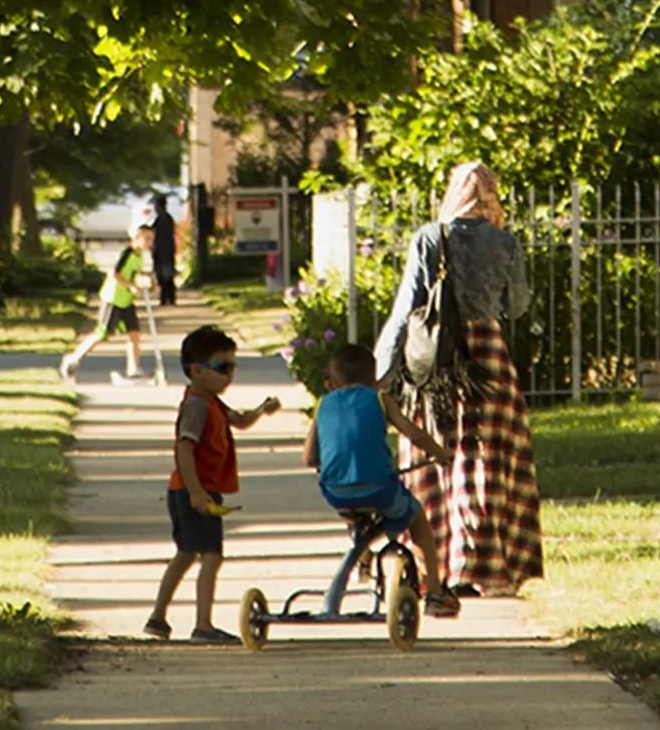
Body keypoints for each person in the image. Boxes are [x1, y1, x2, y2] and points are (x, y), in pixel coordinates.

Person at [379, 160, 539, 610]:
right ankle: (482, 566)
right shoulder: (505, 241)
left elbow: (405, 308)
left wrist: (378, 376)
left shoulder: (431, 238)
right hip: (487, 354)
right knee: (485, 457)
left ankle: (435, 562)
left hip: (437, 356)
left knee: (433, 454)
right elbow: (518, 305)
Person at [146, 325, 280, 642]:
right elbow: (184, 448)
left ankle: (158, 617)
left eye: (232, 367)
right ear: (196, 370)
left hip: (195, 490)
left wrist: (262, 410)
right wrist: (196, 491)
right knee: (211, 555)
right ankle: (203, 625)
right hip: (194, 490)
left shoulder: (213, 402)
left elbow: (241, 420)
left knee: (186, 554)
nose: (229, 374)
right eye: (222, 367)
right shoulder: (196, 405)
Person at [304, 340, 443, 544]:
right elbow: (415, 435)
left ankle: (362, 554)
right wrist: (439, 453)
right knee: (417, 518)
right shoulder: (379, 398)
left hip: (335, 493)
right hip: (379, 489)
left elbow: (308, 459)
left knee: (352, 508)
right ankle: (432, 577)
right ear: (375, 383)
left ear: (330, 386)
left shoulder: (324, 404)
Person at [60, 245, 158, 382]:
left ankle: (133, 369)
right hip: (113, 299)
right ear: (136, 238)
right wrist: (130, 286)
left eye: (151, 239)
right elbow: (113, 273)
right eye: (146, 238)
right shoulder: (127, 253)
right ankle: (73, 358)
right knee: (102, 333)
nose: (149, 242)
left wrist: (149, 282)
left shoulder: (139, 256)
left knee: (134, 333)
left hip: (126, 301)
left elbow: (134, 274)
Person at [146, 192, 181, 307]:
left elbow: (160, 238)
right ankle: (166, 297)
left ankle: (168, 298)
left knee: (165, 276)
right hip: (164, 251)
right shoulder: (164, 219)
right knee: (163, 276)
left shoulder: (163, 220)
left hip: (164, 252)